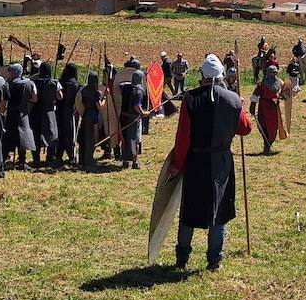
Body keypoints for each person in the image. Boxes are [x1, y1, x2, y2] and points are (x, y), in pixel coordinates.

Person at [168, 54, 252, 271]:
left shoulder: (190, 98)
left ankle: (182, 259)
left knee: (191, 209)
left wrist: (178, 163)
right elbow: (245, 128)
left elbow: (183, 138)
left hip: (197, 161)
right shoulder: (232, 99)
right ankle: (213, 261)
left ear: (202, 75)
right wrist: (238, 107)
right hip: (221, 161)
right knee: (218, 210)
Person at [29, 61, 62, 170]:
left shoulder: (34, 82)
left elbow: (34, 96)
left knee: (36, 134)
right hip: (49, 111)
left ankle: (36, 159)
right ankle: (49, 157)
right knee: (52, 135)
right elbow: (60, 96)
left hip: (37, 110)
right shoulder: (55, 82)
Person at [4, 63, 36, 170]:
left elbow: (5, 99)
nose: (9, 73)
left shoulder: (8, 83)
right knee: (21, 136)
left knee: (12, 136)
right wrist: (26, 100)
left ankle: (9, 160)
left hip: (12, 112)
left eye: (11, 71)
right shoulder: (29, 83)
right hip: (22, 112)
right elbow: (34, 98)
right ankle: (21, 161)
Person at [249, 64, 286, 155]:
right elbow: (255, 95)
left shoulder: (278, 83)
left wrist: (284, 96)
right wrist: (252, 106)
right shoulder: (262, 85)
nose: (275, 75)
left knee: (273, 128)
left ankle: (269, 144)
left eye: (276, 73)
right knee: (264, 126)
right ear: (269, 74)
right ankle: (267, 145)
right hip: (264, 108)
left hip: (274, 109)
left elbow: (282, 93)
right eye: (273, 74)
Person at [118, 69, 148, 170]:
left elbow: (119, 86)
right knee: (134, 139)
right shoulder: (139, 91)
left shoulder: (126, 88)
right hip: (132, 119)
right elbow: (136, 106)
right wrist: (144, 113)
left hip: (123, 117)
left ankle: (125, 162)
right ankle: (135, 162)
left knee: (125, 139)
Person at [75, 72, 104, 169]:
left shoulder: (84, 90)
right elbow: (99, 107)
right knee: (92, 139)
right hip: (93, 115)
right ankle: (89, 161)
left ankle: (82, 160)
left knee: (84, 138)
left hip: (86, 114)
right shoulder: (95, 92)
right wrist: (104, 98)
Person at [54, 62, 80, 168]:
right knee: (70, 135)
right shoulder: (76, 84)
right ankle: (71, 157)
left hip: (59, 111)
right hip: (70, 112)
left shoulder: (60, 82)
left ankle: (58, 156)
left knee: (61, 134)